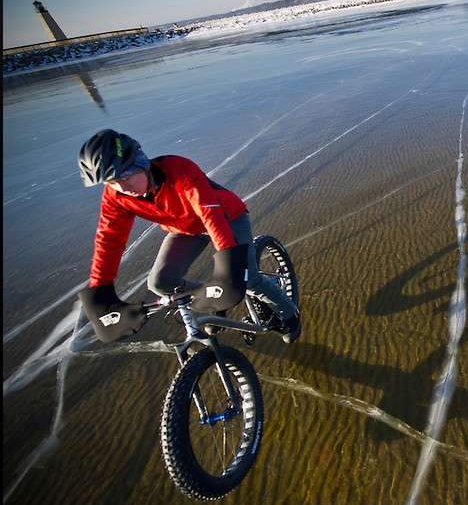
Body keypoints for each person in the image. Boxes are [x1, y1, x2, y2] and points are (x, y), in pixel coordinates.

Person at [76, 128, 300, 343]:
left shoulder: (178, 169)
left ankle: (290, 316)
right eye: (112, 182)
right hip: (186, 230)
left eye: (125, 176)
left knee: (247, 278)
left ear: (140, 161)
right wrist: (100, 291)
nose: (123, 187)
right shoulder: (116, 196)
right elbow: (109, 239)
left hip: (227, 217)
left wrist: (229, 264)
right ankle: (214, 304)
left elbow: (209, 212)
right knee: (160, 282)